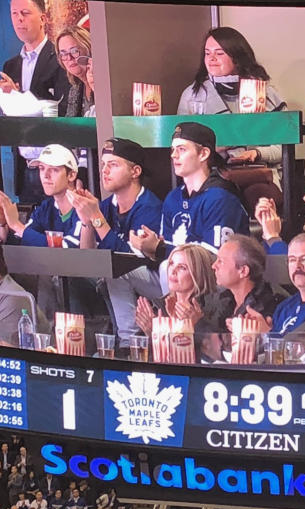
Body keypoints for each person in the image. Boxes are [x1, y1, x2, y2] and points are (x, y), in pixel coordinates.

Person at [67, 137, 163, 346]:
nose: (104, 171)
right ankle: (82, 342)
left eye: (113, 165)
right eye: (103, 165)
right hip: (122, 276)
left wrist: (97, 217)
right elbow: (86, 256)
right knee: (72, 277)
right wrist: (87, 221)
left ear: (135, 171)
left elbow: (131, 260)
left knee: (116, 271)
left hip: (156, 278)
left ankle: (128, 343)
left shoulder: (149, 206)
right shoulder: (107, 205)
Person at [178, 27, 286, 203]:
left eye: (219, 53)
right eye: (207, 53)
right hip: (211, 174)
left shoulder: (265, 93)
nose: (211, 59)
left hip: (258, 173)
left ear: (237, 57)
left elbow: (284, 147)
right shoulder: (192, 96)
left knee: (261, 198)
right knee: (217, 196)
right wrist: (212, 149)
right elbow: (180, 148)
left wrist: (256, 153)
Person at [132, 123, 249, 262]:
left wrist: (158, 248)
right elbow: (166, 250)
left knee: (165, 270)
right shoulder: (173, 197)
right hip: (176, 275)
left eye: (181, 149)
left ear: (203, 154)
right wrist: (149, 248)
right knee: (125, 274)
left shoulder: (221, 197)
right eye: (173, 149)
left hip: (214, 280)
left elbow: (214, 261)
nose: (174, 155)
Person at [0, 0, 67, 205]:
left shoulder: (59, 58)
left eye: (25, 13)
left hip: (54, 164)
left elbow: (61, 107)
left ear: (43, 19)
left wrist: (19, 96)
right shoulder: (11, 65)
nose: (19, 19)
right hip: (24, 165)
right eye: (14, 14)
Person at [134, 244, 228, 362]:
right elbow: (139, 358)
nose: (173, 271)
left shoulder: (218, 304)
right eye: (172, 264)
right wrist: (152, 334)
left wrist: (196, 324)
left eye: (182, 267)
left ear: (198, 274)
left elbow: (219, 356)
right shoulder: (157, 307)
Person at [240, 233, 305, 336]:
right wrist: (259, 331)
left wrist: (266, 334)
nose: (297, 266)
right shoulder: (285, 307)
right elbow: (275, 350)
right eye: (292, 260)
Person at [0, 144, 82, 247]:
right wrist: (3, 224)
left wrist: (15, 224)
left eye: (54, 169)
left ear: (71, 175)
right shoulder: (46, 207)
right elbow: (21, 241)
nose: (45, 175)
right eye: (41, 168)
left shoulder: (85, 209)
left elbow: (69, 248)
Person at [212, 235, 283, 321]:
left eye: (221, 261)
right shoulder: (224, 300)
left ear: (243, 271)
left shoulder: (265, 309)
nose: (213, 266)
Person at [54, 26, 92, 117]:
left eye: (74, 51)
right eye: (63, 54)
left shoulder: (103, 85)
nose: (69, 58)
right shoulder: (74, 89)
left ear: (88, 49)